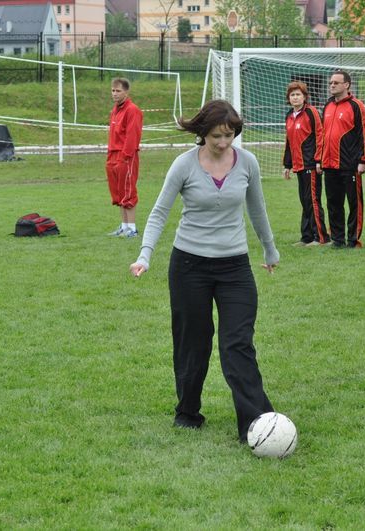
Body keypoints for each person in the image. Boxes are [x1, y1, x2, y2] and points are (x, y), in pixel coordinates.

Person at [129, 100, 280, 442]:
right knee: (192, 344)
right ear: (202, 133)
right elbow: (159, 212)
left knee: (237, 344)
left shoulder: (247, 163)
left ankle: (256, 422)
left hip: (235, 268)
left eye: (229, 135)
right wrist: (145, 256)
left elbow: (257, 209)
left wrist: (270, 250)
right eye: (216, 136)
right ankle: (188, 411)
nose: (223, 143)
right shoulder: (184, 165)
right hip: (189, 266)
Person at [320, 69, 365, 249]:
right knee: (333, 203)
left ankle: (353, 240)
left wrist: (363, 160)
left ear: (347, 85)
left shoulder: (357, 106)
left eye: (336, 83)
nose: (332, 85)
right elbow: (323, 135)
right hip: (329, 164)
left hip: (350, 164)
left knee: (354, 203)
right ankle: (338, 239)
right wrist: (320, 159)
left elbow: (364, 133)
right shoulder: (327, 105)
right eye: (331, 83)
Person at [283, 80, 329, 247]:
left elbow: (320, 135)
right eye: (292, 95)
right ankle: (307, 237)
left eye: (298, 94)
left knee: (313, 200)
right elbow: (289, 141)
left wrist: (318, 160)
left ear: (304, 97)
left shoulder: (311, 112)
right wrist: (287, 165)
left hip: (311, 164)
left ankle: (321, 237)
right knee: (305, 201)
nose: (295, 97)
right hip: (298, 165)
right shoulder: (289, 115)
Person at [106, 77, 143, 238]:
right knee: (118, 192)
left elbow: (132, 135)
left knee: (128, 191)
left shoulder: (132, 110)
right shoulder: (115, 109)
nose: (115, 94)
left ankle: (132, 229)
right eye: (113, 90)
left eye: (118, 91)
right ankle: (124, 226)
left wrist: (125, 156)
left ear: (126, 92)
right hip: (113, 155)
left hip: (126, 156)